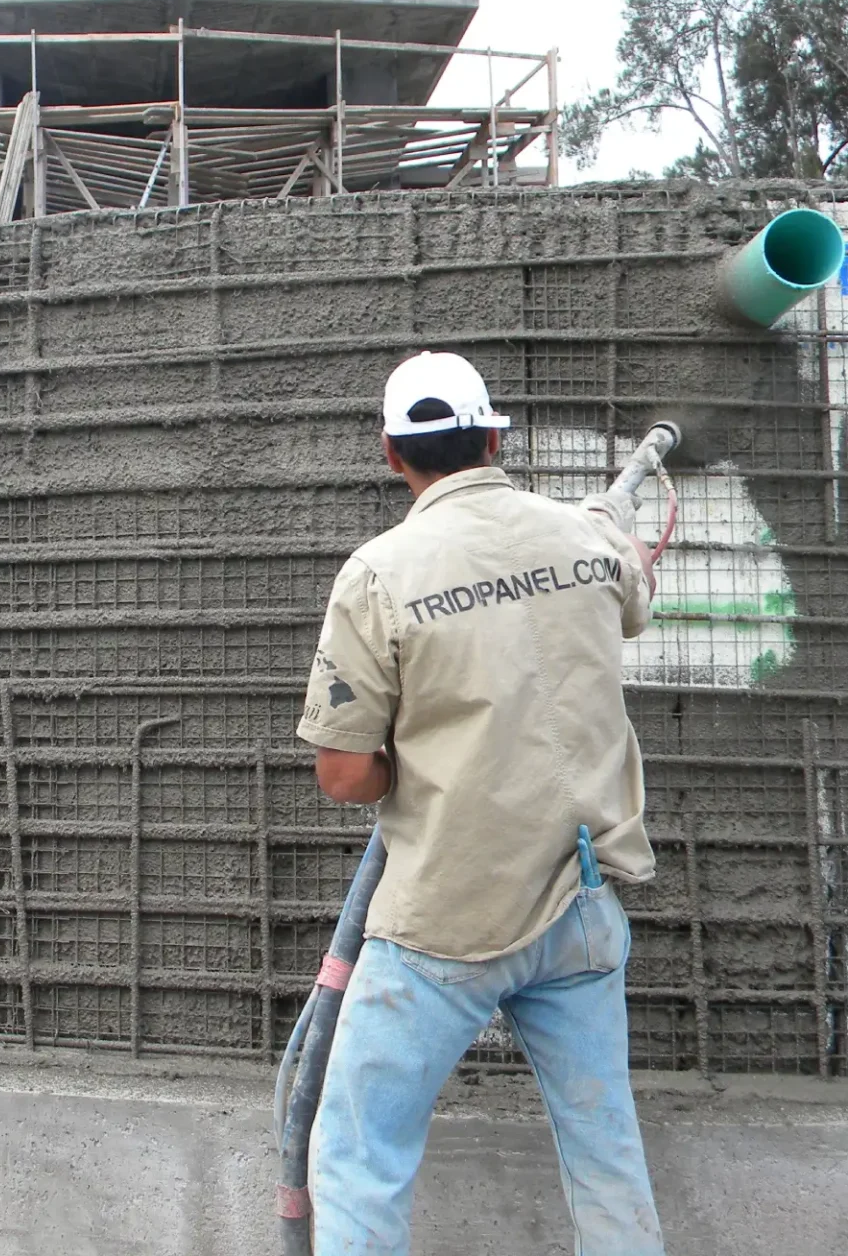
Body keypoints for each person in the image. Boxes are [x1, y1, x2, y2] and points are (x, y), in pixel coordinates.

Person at [298, 350, 665, 1255]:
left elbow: (345, 777)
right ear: (496, 435)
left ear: (391, 454)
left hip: (445, 924)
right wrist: (585, 537)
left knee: (354, 1153)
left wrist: (406, 766)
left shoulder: (380, 573)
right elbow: (630, 604)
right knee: (606, 1152)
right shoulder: (584, 541)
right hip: (581, 907)